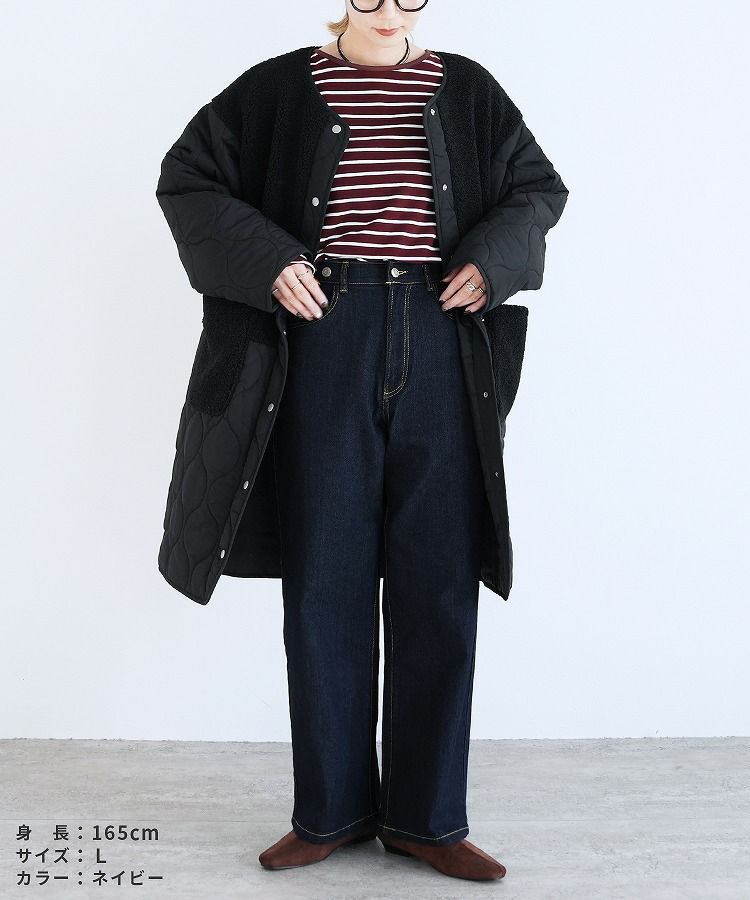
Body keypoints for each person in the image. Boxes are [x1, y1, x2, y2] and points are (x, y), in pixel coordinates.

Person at [155, 0, 569, 883]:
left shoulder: (469, 90)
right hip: (325, 336)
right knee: (325, 574)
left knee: (439, 578)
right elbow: (187, 179)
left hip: (443, 335)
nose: (388, 11)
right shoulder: (279, 88)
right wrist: (270, 260)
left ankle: (428, 821)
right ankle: (330, 811)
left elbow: (539, 190)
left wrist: (491, 260)